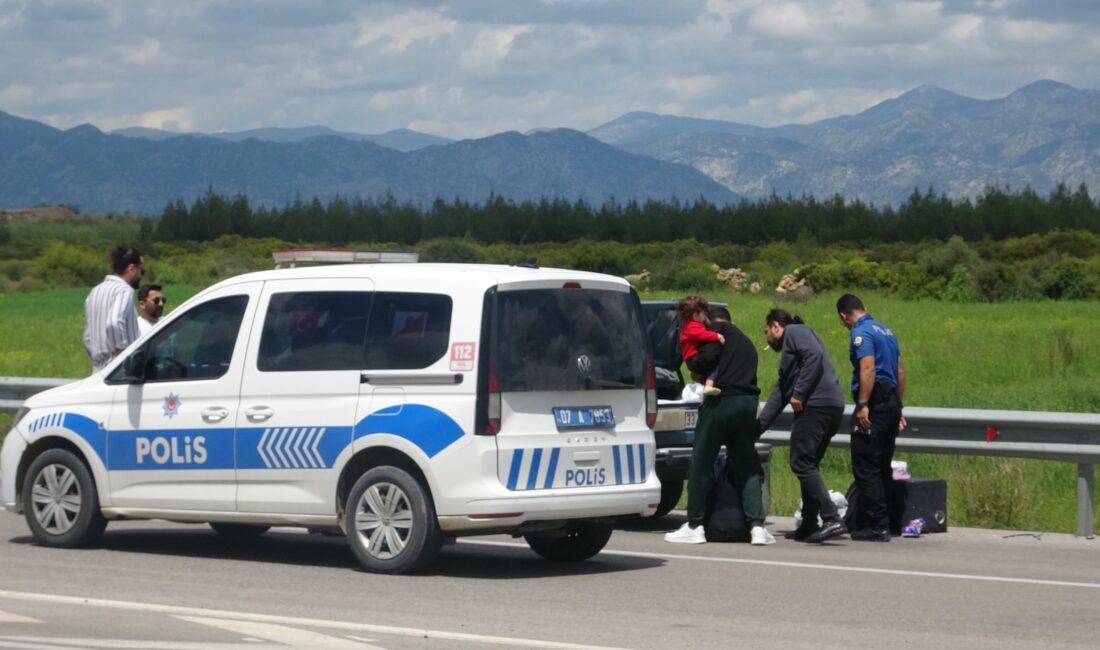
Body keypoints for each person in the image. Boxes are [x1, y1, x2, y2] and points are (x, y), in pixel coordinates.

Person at [666, 306, 773, 545]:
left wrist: (694, 367)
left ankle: (695, 525)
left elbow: (705, 360)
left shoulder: (713, 331)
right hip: (748, 403)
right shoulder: (745, 341)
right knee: (746, 464)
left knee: (701, 462)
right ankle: (757, 527)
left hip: (721, 402)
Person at [757, 308, 848, 543]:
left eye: (767, 332)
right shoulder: (791, 352)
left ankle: (831, 518)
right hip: (826, 406)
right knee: (808, 464)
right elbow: (780, 392)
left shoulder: (796, 332)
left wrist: (800, 393)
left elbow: (814, 356)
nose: (768, 339)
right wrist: (757, 428)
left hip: (816, 406)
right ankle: (809, 523)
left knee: (800, 462)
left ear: (776, 326)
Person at [837, 294, 907, 542]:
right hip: (890, 404)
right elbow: (899, 370)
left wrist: (863, 404)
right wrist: (898, 408)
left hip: (874, 403)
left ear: (843, 315)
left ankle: (876, 525)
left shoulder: (861, 333)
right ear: (864, 308)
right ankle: (886, 521)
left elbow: (868, 367)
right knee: (882, 464)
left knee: (866, 464)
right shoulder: (887, 331)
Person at [83, 245, 144, 372]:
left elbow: (87, 338)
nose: (141, 276)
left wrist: (99, 361)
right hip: (119, 370)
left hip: (97, 370)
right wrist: (124, 356)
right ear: (131, 268)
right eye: (141, 271)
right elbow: (114, 323)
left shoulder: (94, 292)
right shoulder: (124, 290)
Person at [677, 295, 724, 397]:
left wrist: (706, 321)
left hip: (693, 359)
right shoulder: (691, 326)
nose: (705, 316)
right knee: (716, 364)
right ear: (695, 316)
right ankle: (708, 385)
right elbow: (701, 335)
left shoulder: (690, 325)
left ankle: (705, 382)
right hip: (695, 359)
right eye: (703, 313)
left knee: (712, 367)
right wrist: (717, 336)